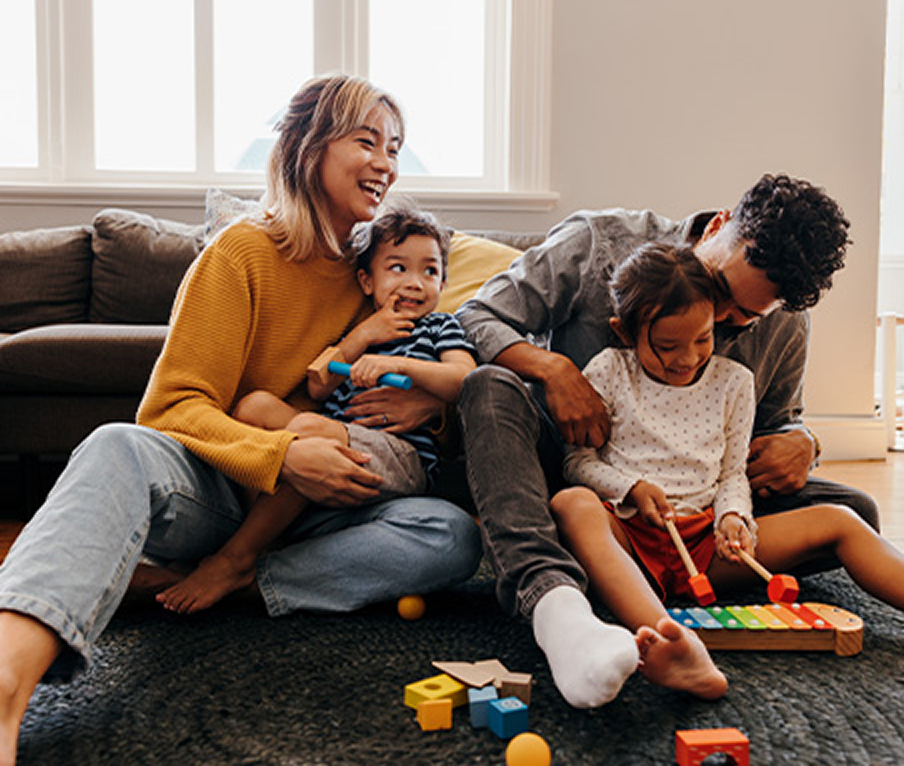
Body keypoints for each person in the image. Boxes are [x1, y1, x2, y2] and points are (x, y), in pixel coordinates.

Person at [0, 74, 482, 765]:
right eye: (366, 141)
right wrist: (280, 454)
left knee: (450, 537)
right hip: (225, 488)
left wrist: (429, 408)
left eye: (396, 147)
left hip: (320, 508)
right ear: (307, 147)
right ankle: (8, 679)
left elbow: (423, 373)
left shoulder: (377, 275)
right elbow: (168, 409)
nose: (386, 162)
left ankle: (221, 579)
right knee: (117, 447)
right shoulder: (240, 254)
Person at [455, 173, 878, 709]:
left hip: (699, 505)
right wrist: (554, 370)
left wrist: (804, 441)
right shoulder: (596, 243)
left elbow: (778, 423)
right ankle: (553, 598)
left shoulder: (787, 322)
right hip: (569, 471)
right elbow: (476, 314)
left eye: (742, 320)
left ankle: (637, 574)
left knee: (854, 509)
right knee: (488, 388)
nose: (718, 322)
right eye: (720, 291)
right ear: (720, 225)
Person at [550, 241, 904, 701]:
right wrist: (632, 488)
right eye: (666, 347)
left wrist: (733, 517)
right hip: (629, 537)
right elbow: (578, 462)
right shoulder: (608, 371)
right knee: (571, 504)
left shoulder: (735, 382)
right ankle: (670, 639)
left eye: (702, 339)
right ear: (624, 331)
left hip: (705, 545)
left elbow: (734, 474)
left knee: (842, 518)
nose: (687, 358)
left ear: (716, 319)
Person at [156, 203, 477, 614]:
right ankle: (271, 540)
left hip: (398, 455)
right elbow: (318, 382)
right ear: (366, 280)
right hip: (331, 442)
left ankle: (237, 558)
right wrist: (362, 337)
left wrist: (399, 365)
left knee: (312, 430)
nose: (415, 283)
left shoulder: (440, 327)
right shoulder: (359, 327)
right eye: (398, 268)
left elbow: (464, 379)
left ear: (444, 282)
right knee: (256, 406)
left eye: (429, 271)